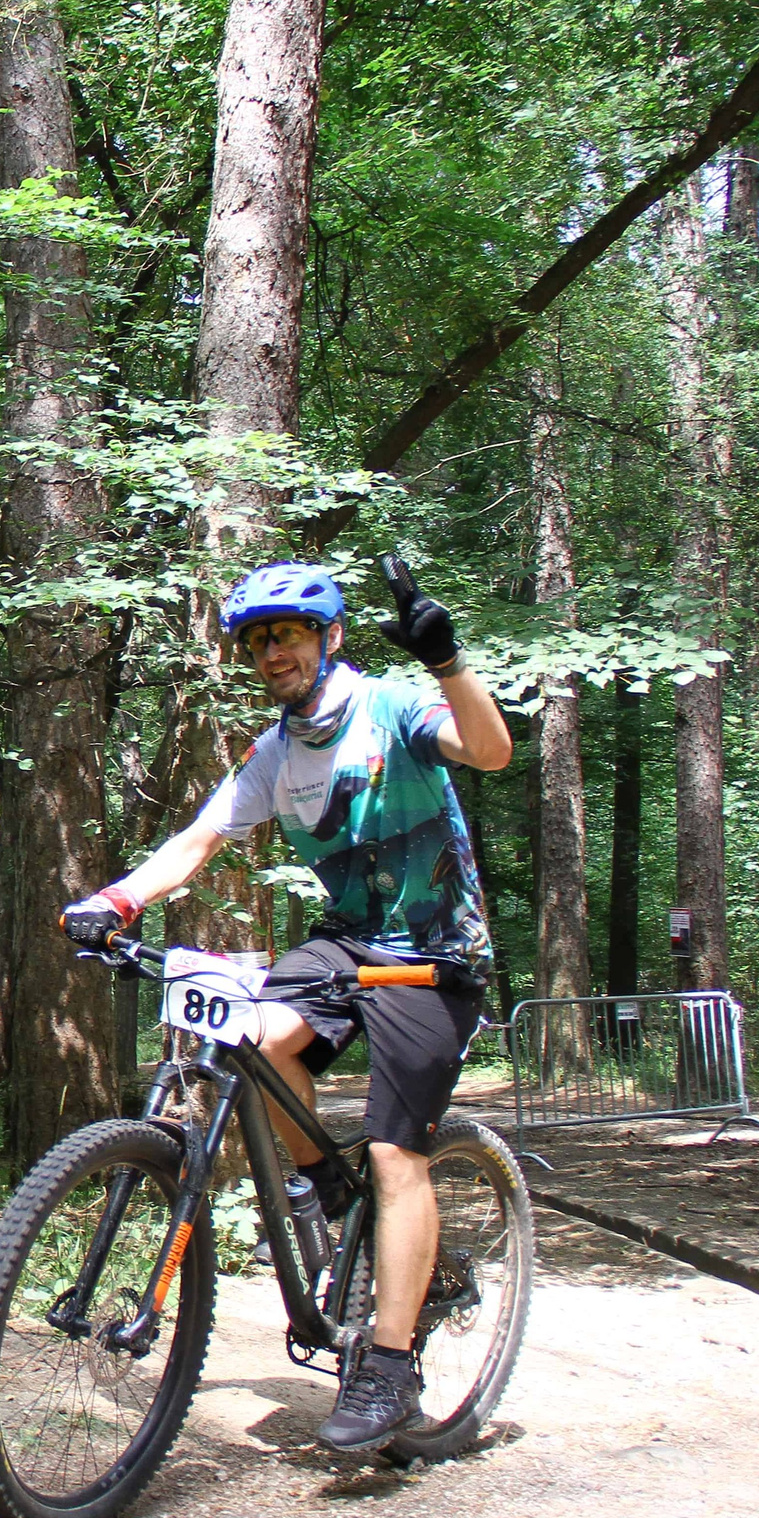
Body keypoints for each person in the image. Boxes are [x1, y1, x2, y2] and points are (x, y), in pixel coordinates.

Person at [60, 560, 511, 1454]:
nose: (273, 652)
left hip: (435, 954)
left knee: (396, 1149)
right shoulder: (276, 754)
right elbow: (197, 838)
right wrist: (117, 901)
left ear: (329, 637)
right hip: (348, 939)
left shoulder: (390, 707)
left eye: (290, 633)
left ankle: (388, 1367)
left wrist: (449, 660)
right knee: (250, 1044)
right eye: (259, 640)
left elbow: (491, 750)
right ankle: (340, 1200)